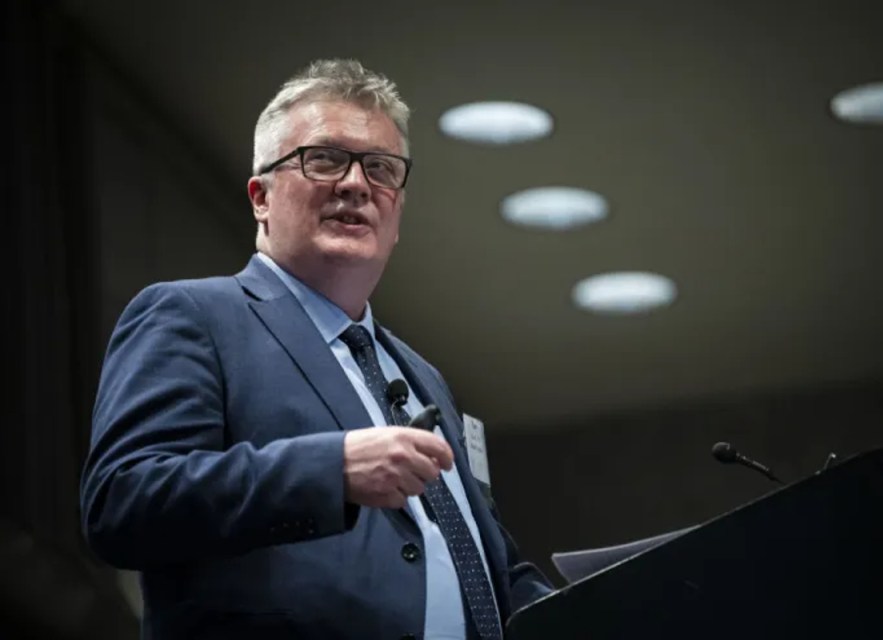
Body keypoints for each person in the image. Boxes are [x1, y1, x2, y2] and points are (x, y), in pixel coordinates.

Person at [79, 58, 554, 639]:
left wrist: (619, 601)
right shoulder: (193, 315)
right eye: (325, 159)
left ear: (397, 211)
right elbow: (123, 502)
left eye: (380, 168)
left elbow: (488, 565)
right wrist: (330, 470)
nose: (356, 184)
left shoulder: (424, 376)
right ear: (260, 197)